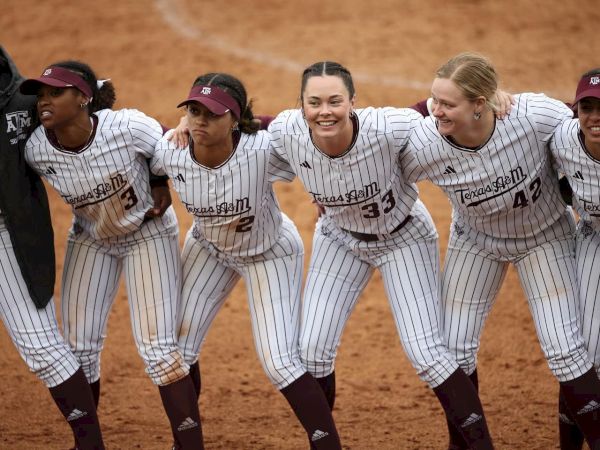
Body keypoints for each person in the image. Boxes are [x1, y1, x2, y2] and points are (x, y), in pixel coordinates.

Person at [267, 61, 495, 449]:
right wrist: (187, 126)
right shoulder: (286, 131)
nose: (326, 111)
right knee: (311, 351)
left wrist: (493, 102)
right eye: (315, 102)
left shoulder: (386, 126)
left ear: (352, 102)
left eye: (336, 101)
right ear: (301, 106)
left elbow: (433, 108)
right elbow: (243, 125)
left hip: (403, 237)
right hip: (340, 240)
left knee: (427, 353)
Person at [399, 52, 600, 450]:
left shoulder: (531, 117)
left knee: (564, 348)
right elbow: (379, 160)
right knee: (453, 352)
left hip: (545, 238)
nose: (435, 111)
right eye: (433, 100)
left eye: (447, 104)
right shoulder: (424, 143)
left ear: (480, 104)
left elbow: (580, 131)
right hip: (476, 244)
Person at [19, 61, 203, 449]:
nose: (44, 102)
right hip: (92, 238)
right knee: (79, 348)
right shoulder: (36, 150)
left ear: (84, 98)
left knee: (158, 351)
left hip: (146, 233)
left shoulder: (126, 127)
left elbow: (169, 150)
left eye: (56, 93)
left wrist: (158, 182)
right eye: (41, 95)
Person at [152, 73, 341, 449]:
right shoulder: (170, 150)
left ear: (235, 119)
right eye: (193, 111)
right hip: (209, 249)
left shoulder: (262, 149)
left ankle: (326, 443)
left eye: (212, 113)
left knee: (280, 363)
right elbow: (145, 161)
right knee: (174, 351)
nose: (200, 120)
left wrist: (324, 192)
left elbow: (313, 136)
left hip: (269, 253)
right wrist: (158, 186)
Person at [0, 46, 105, 450]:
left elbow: (95, 104)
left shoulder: (24, 102)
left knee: (40, 346)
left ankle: (89, 443)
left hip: (7, 232)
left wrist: (157, 178)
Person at [549, 68, 600, 450]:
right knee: (584, 352)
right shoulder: (564, 137)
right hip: (593, 239)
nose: (595, 116)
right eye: (588, 106)